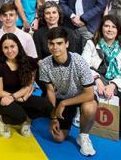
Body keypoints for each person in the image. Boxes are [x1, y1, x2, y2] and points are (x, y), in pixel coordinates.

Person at [39, 27, 97, 157]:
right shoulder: (45, 65)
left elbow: (89, 94)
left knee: (90, 107)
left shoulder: (79, 61)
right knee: (58, 138)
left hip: (81, 96)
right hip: (62, 97)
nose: (55, 47)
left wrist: (64, 103)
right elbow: (50, 91)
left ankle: (83, 136)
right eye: (51, 44)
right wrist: (53, 117)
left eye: (59, 43)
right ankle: (71, 118)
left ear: (66, 44)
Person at [0, 33, 52, 138]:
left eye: (12, 46)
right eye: (5, 47)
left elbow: (39, 64)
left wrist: (31, 82)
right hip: (4, 98)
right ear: (1, 50)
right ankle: (2, 120)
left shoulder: (26, 60)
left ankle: (27, 119)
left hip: (21, 96)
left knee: (47, 106)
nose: (9, 51)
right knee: (19, 116)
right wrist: (16, 97)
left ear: (18, 46)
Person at [82, 15, 121, 105]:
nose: (110, 30)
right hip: (94, 80)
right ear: (101, 28)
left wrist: (113, 85)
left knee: (112, 106)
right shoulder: (91, 43)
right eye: (106, 26)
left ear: (118, 31)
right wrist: (97, 80)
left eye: (113, 27)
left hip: (115, 83)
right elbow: (83, 66)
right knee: (91, 98)